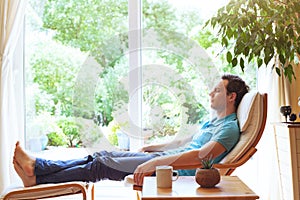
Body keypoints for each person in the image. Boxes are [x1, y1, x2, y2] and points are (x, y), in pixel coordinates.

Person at [13, 74, 249, 187]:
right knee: (100, 156)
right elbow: (183, 143)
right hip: (163, 161)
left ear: (231, 96)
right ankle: (37, 171)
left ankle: (37, 172)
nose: (211, 93)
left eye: (217, 90)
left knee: (102, 166)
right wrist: (152, 149)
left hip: (171, 172)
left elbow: (200, 156)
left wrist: (155, 163)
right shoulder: (212, 123)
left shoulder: (229, 129)